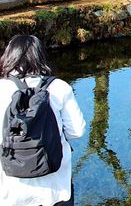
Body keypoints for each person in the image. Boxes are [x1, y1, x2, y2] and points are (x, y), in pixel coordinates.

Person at [0, 35, 86, 206]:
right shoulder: (60, 87)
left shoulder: (2, 88)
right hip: (55, 185)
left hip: (12, 187)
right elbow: (77, 131)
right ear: (40, 56)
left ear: (10, 55)